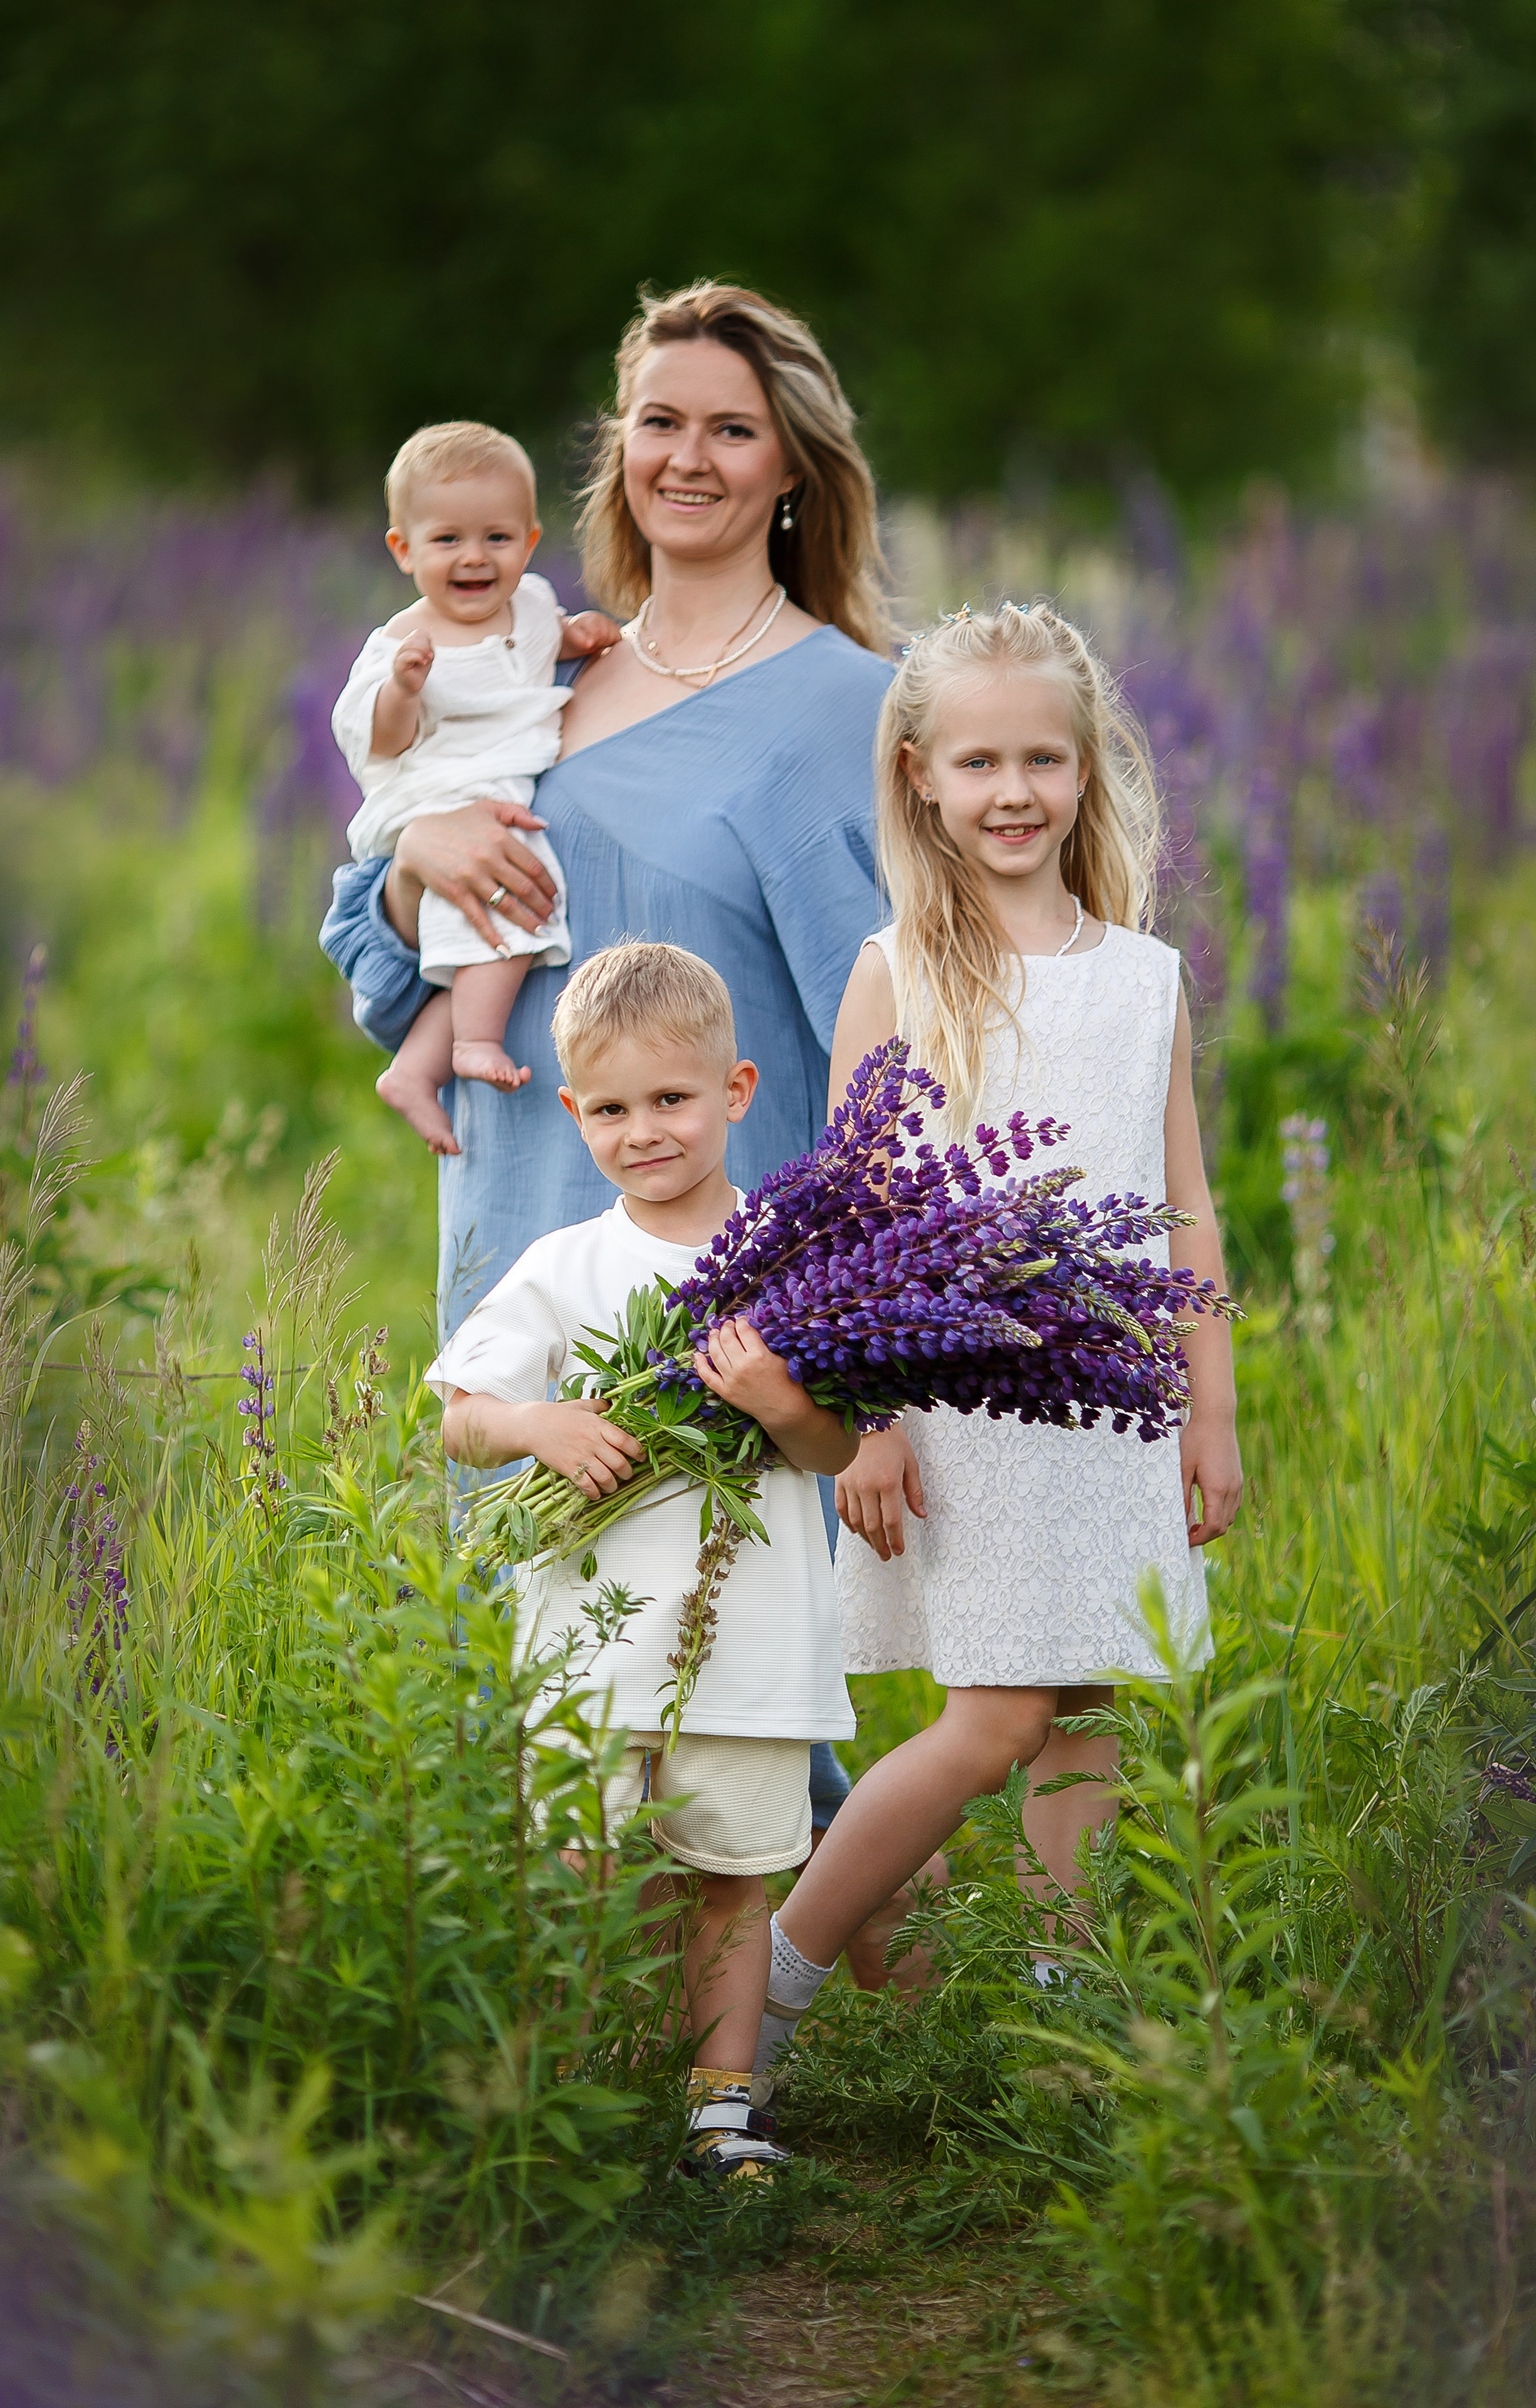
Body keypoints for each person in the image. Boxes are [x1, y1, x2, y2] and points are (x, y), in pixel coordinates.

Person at [754, 602, 1246, 2074]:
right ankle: (772, 1987)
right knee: (993, 1716)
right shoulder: (896, 968)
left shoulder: (1139, 975)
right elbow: (856, 1222)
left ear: (1086, 769)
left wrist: (1208, 1415)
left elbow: (1186, 1213)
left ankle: (1054, 2032)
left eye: (1042, 757)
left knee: (1087, 1706)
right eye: (978, 761)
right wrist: (876, 1417)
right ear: (917, 773)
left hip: (1118, 1398)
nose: (1013, 790)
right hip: (966, 1399)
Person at [318, 281, 895, 1331]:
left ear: (793, 467)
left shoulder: (852, 708)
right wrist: (414, 865)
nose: (688, 457)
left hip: (727, 1316)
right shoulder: (543, 677)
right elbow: (396, 993)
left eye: (733, 429)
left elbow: (902, 1060)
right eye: (660, 422)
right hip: (513, 1267)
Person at [428, 943, 858, 2178]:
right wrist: (538, 1425)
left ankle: (718, 2107)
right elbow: (455, 1410)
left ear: (735, 1090)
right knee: (578, 1861)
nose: (641, 1132)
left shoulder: (790, 1264)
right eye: (609, 1110)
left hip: (751, 1632)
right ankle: (568, 2085)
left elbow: (831, 1446)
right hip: (593, 1635)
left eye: (669, 1100)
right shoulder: (565, 1268)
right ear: (572, 1115)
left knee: (730, 1874)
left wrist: (778, 1397)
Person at [331, 421, 618, 1152]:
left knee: (478, 947)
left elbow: (545, 635)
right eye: (447, 540)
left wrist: (578, 636)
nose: (474, 558)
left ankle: (415, 1069)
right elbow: (379, 739)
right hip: (437, 796)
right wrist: (402, 689)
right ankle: (472, 1045)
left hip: (495, 787)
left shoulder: (529, 603)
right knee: (515, 909)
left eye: (496, 539)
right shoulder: (401, 643)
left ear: (528, 541)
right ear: (404, 549)